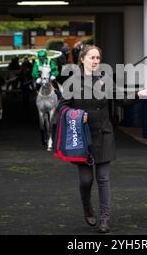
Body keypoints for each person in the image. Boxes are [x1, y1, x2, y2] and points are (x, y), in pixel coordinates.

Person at [57, 45, 115, 234]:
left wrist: (140, 95)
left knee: (103, 178)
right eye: (92, 57)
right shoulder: (72, 82)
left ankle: (105, 219)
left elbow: (121, 100)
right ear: (82, 59)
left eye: (98, 58)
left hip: (104, 133)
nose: (96, 61)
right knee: (85, 180)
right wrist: (75, 114)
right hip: (82, 138)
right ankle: (86, 205)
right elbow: (62, 107)